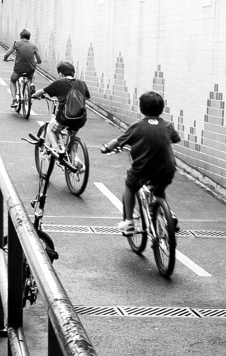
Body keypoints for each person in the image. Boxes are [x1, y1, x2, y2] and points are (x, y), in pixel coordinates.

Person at [100, 91, 180, 235]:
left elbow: (117, 142)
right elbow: (175, 138)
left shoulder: (137, 126)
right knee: (159, 190)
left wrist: (106, 148)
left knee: (130, 185)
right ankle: (168, 216)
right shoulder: (167, 125)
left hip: (144, 168)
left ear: (141, 108)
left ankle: (129, 222)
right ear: (162, 108)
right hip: (167, 168)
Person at [33, 61, 90, 155]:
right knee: (72, 135)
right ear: (73, 73)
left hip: (65, 117)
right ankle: (74, 158)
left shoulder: (59, 83)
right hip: (81, 118)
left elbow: (41, 92)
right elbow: (86, 96)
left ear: (60, 74)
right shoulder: (81, 83)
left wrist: (35, 95)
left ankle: (57, 150)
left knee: (50, 128)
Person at [2, 29, 42, 109]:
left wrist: (5, 59)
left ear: (20, 36)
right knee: (31, 76)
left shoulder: (16, 43)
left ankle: (14, 100)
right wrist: (35, 62)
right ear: (29, 37)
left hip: (19, 69)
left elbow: (7, 54)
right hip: (30, 69)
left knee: (13, 80)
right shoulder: (34, 46)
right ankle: (32, 85)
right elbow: (39, 60)